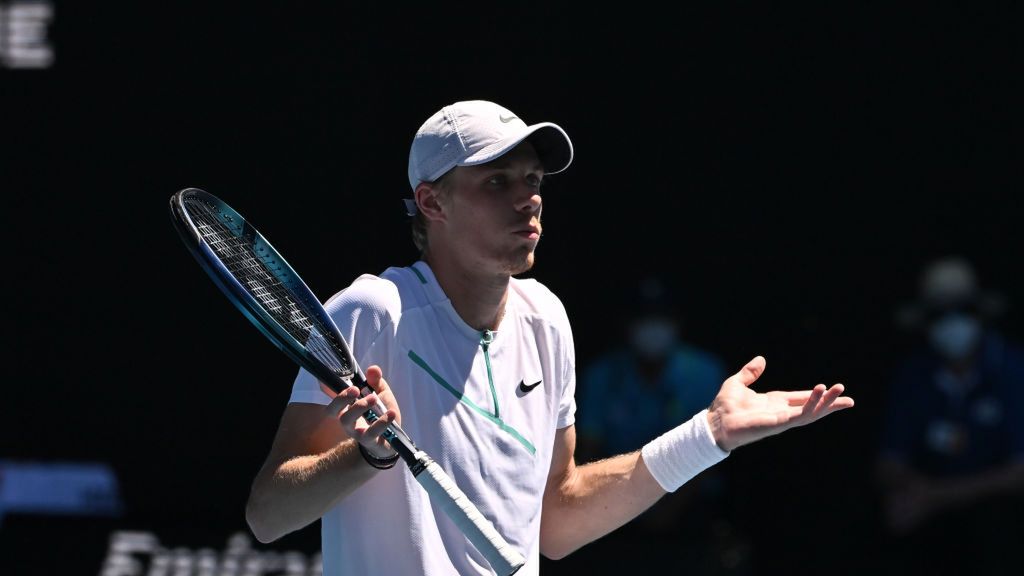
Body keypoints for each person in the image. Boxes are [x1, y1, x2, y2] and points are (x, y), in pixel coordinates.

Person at [243, 99, 855, 576]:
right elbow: (269, 516)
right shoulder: (374, 311)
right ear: (432, 202)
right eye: (496, 182)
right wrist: (366, 455)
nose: (528, 198)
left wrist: (709, 436)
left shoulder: (545, 319)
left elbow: (555, 522)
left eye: (533, 179)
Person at [572, 276, 751, 574]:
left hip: (689, 509)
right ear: (627, 325)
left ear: (677, 323)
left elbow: (717, 448)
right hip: (617, 506)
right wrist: (621, 507)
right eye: (644, 318)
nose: (653, 328)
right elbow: (587, 451)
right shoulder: (601, 376)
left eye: (661, 318)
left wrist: (668, 510)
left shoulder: (706, 373)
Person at [876, 256, 1024, 574]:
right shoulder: (912, 375)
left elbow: (1019, 471)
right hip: (931, 516)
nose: (953, 323)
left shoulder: (1013, 370)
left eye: (963, 310)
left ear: (980, 313)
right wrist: (912, 489)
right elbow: (889, 460)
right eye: (940, 314)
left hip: (997, 515)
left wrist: (938, 496)